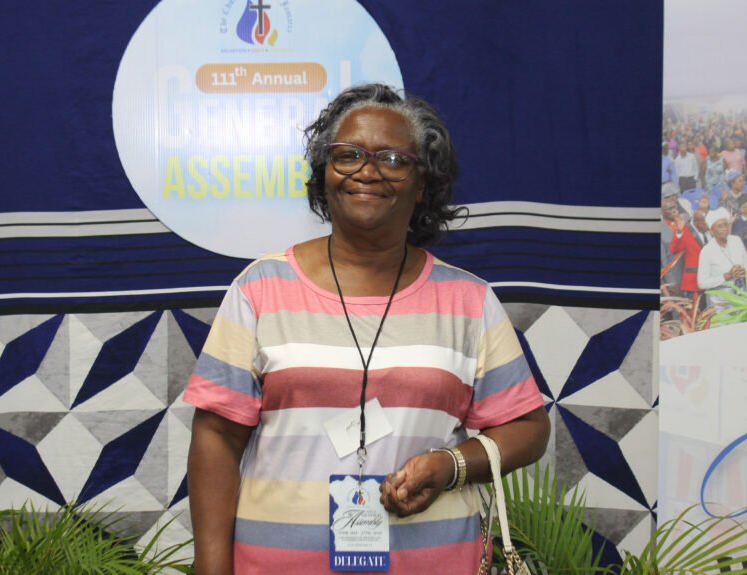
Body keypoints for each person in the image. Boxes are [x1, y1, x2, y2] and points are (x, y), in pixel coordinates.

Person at [184, 84, 550, 575]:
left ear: (422, 183)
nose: (367, 171)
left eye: (393, 158)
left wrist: (451, 465)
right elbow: (216, 438)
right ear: (324, 172)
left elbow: (528, 429)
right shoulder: (260, 289)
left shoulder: (469, 301)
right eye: (348, 154)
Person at [697, 208, 747, 308]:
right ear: (711, 231)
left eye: (726, 225)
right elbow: (701, 283)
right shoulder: (706, 251)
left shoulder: (736, 240)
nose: (724, 228)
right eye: (720, 226)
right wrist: (726, 276)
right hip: (720, 300)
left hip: (741, 293)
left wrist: (742, 271)